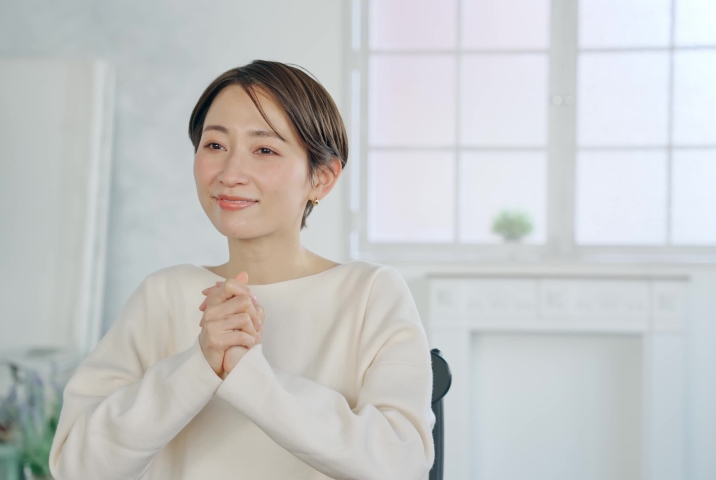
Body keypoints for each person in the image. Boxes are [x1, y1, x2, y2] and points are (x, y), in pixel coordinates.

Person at [48, 60, 436, 480]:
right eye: (215, 146)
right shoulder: (163, 294)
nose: (230, 174)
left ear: (322, 178)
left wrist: (248, 374)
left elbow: (402, 462)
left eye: (264, 150)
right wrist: (198, 365)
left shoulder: (370, 293)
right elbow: (75, 466)